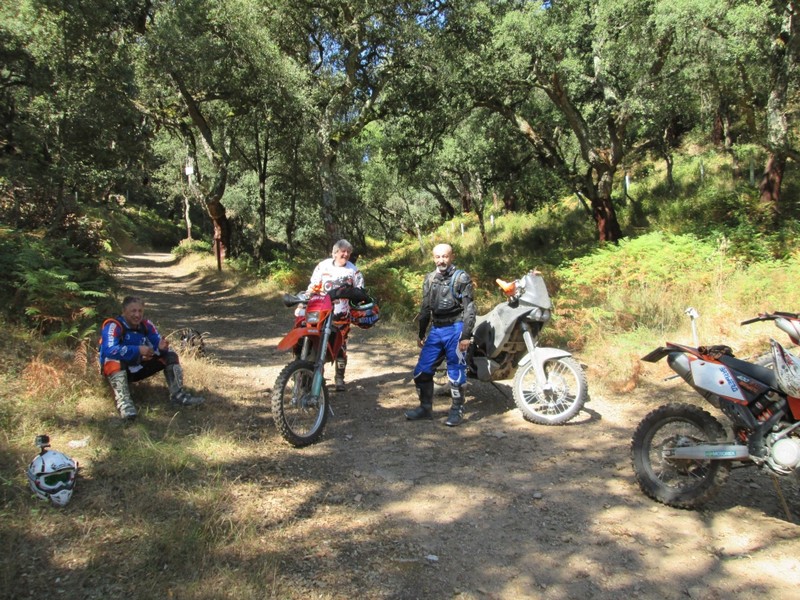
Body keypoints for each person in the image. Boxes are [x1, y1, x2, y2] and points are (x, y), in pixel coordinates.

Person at [99, 295, 204, 421]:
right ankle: (124, 404)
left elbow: (157, 343)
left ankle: (178, 395)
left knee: (170, 355)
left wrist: (161, 347)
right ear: (124, 311)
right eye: (133, 311)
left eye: (140, 311)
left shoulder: (146, 325)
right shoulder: (113, 325)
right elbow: (109, 350)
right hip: (117, 369)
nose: (137, 315)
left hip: (139, 366)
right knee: (113, 360)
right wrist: (137, 350)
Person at [405, 243, 475, 427]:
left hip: (456, 327)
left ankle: (456, 410)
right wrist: (421, 333)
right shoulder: (429, 279)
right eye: (438, 257)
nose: (441, 260)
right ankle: (425, 408)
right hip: (436, 329)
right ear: (433, 258)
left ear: (452, 257)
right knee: (421, 371)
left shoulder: (461, 277)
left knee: (455, 371)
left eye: (445, 256)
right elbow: (425, 308)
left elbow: (469, 309)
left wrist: (466, 335)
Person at [306, 239, 366, 391]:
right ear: (334, 253)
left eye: (348, 252)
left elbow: (361, 291)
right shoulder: (323, 266)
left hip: (342, 316)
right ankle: (316, 377)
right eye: (342, 251)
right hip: (321, 313)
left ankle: (339, 378)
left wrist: (350, 295)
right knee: (317, 345)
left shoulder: (353, 271)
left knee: (340, 347)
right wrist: (304, 300)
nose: (345, 254)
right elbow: (313, 286)